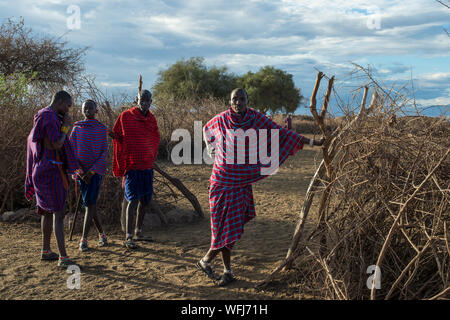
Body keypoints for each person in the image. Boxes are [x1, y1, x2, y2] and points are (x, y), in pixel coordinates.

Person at [198, 88, 324, 286]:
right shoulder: (221, 119)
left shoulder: (256, 119)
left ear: (248, 100)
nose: (238, 102)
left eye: (242, 99)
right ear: (230, 101)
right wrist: (211, 149)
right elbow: (206, 129)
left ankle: (218, 266)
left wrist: (312, 142)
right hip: (221, 182)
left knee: (230, 228)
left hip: (241, 182)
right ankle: (214, 265)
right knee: (223, 229)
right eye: (234, 99)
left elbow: (281, 133)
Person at [25, 90, 79, 268]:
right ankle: (63, 258)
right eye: (68, 105)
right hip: (51, 170)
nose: (69, 109)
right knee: (58, 213)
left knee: (46, 212)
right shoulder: (49, 117)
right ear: (61, 102)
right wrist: (66, 126)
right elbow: (57, 143)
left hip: (43, 168)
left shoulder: (45, 115)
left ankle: (46, 250)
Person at [111, 89, 160, 249]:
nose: (145, 102)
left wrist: (151, 154)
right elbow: (117, 134)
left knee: (145, 201)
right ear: (136, 100)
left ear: (151, 101)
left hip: (147, 166)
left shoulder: (152, 119)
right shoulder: (126, 117)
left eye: (147, 100)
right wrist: (122, 151)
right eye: (142, 99)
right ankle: (128, 236)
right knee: (132, 200)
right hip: (132, 167)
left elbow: (155, 138)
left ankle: (139, 231)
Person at [69, 100, 108, 252]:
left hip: (95, 173)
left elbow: (104, 152)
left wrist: (91, 172)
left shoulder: (101, 129)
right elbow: (71, 152)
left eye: (91, 107)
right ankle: (102, 235)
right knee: (90, 204)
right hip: (81, 173)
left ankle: (84, 239)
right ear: (82, 110)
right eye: (85, 107)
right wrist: (80, 171)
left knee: (89, 204)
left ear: (96, 110)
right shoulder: (77, 129)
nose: (88, 109)